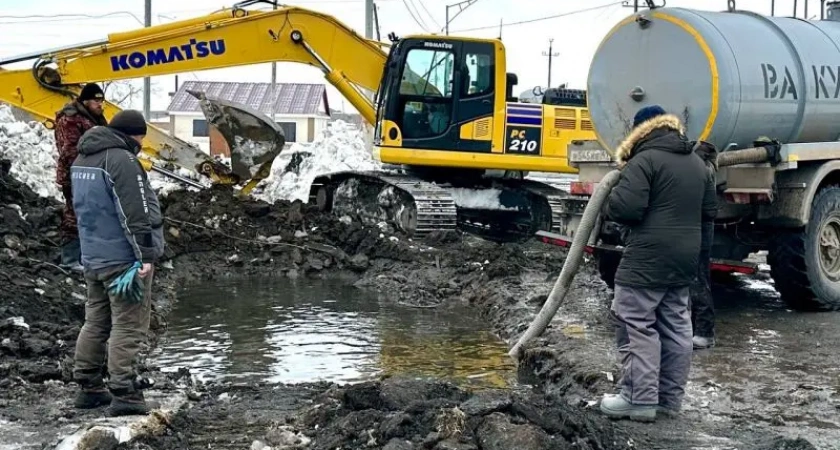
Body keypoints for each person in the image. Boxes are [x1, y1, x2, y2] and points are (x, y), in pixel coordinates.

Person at [598, 105, 717, 422]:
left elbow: (626, 209)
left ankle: (638, 399)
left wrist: (612, 194)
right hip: (683, 261)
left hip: (646, 259)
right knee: (676, 327)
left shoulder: (644, 160)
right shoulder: (697, 162)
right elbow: (709, 211)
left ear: (640, 132)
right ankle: (667, 401)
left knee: (635, 323)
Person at [70, 110, 165, 417]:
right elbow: (133, 211)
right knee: (129, 322)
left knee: (96, 319)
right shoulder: (121, 161)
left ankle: (88, 386)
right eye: (141, 136)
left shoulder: (82, 160)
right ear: (132, 134)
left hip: (94, 257)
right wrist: (145, 255)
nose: (141, 143)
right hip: (123, 260)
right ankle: (124, 391)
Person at [55, 83, 108, 270]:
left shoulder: (94, 118)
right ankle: (69, 259)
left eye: (102, 101)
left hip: (93, 175)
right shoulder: (70, 120)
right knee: (74, 215)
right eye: (96, 100)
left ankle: (85, 255)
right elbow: (69, 151)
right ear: (85, 101)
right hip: (76, 175)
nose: (100, 104)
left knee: (90, 215)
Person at [690, 141, 719, 350]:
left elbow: (708, 210)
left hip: (697, 231)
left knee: (698, 280)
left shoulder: (702, 172)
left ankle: (704, 332)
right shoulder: (707, 170)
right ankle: (699, 330)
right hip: (701, 231)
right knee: (699, 279)